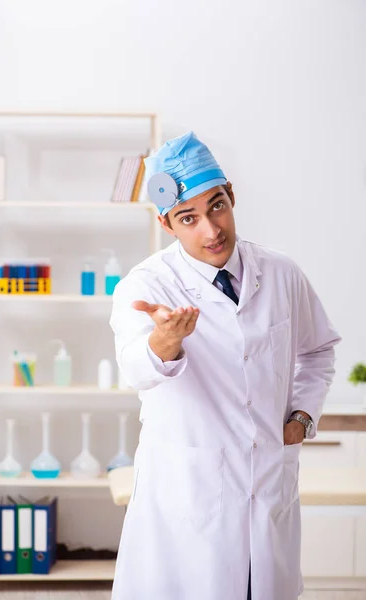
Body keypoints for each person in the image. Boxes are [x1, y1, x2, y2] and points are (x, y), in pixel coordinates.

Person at [109, 131, 341, 600]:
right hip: (187, 501)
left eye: (217, 207)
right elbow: (136, 370)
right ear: (167, 223)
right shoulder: (147, 284)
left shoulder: (280, 273)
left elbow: (317, 351)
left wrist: (301, 417)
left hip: (267, 491)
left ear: (231, 195)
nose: (210, 230)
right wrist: (165, 342)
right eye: (188, 218)